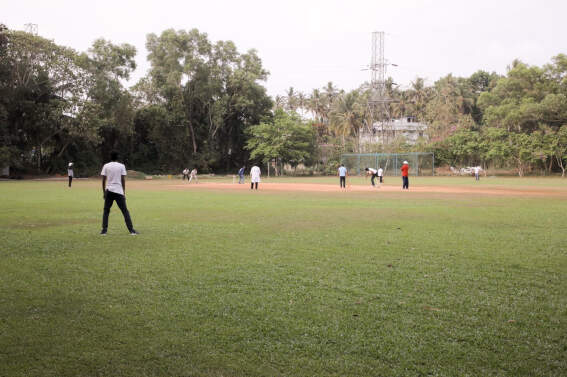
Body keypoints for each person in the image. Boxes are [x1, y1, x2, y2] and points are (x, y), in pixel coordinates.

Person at [100, 151, 137, 235]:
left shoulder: (106, 166)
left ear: (110, 157)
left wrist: (104, 192)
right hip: (118, 191)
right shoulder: (121, 166)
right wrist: (123, 192)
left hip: (109, 190)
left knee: (106, 211)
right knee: (125, 211)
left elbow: (103, 180)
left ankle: (104, 231)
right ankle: (131, 230)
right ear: (117, 157)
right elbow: (122, 179)